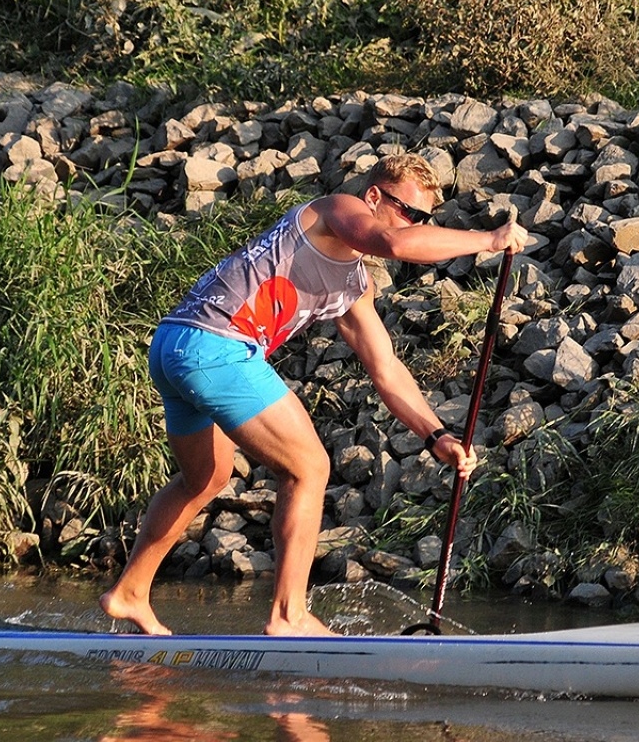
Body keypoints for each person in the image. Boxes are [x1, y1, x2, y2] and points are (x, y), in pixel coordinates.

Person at [102, 153, 526, 637]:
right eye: (409, 212)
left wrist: (436, 436)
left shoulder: (352, 286)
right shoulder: (334, 209)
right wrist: (488, 240)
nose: (415, 225)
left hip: (174, 345)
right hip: (215, 347)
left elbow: (386, 369)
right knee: (310, 467)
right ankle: (289, 615)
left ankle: (129, 592)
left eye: (423, 219)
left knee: (206, 477)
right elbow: (391, 241)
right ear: (374, 197)